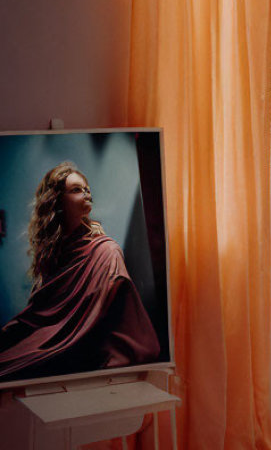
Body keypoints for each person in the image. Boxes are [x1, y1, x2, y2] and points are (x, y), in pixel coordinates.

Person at [0, 163, 160, 381]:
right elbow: (39, 314)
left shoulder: (106, 250)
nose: (86, 193)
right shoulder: (54, 256)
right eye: (76, 190)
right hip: (54, 350)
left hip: (88, 353)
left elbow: (107, 314)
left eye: (87, 189)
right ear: (56, 201)